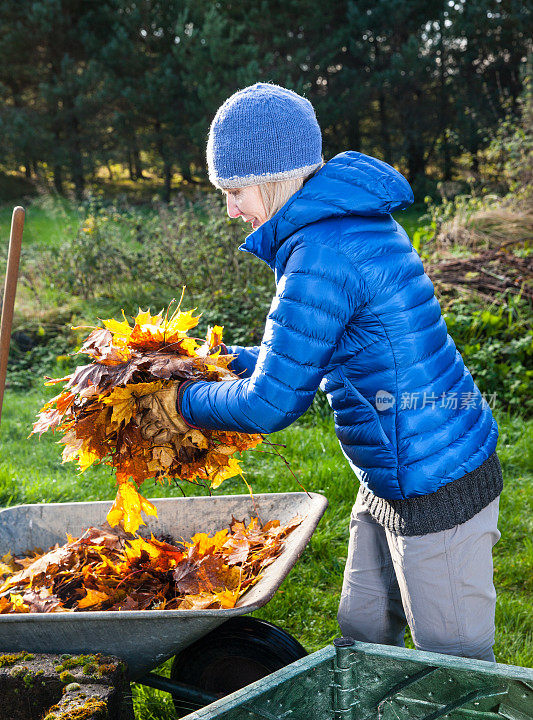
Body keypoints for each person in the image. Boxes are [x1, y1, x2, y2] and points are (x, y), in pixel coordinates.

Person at [174, 82, 502, 662]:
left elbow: (270, 404)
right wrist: (213, 362)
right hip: (392, 473)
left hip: (435, 483)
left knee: (454, 673)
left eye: (235, 190)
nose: (230, 209)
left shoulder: (320, 254)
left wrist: (181, 401)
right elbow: (312, 353)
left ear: (276, 178)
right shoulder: (346, 222)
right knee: (363, 633)